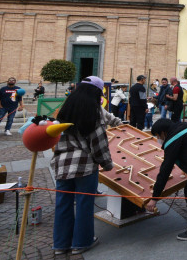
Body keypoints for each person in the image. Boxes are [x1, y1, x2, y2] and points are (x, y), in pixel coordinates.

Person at [52, 76, 122, 255]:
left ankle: (60, 244)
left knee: (63, 204)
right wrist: (107, 164)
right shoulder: (92, 110)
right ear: (96, 92)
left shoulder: (67, 106)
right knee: (84, 204)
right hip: (84, 165)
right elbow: (98, 142)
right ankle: (81, 242)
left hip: (62, 163)